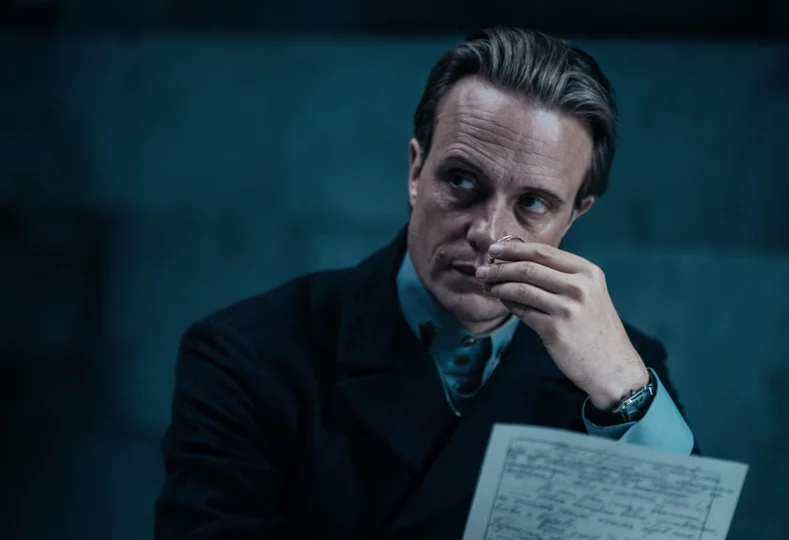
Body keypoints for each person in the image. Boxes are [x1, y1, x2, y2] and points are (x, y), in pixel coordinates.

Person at [155, 27, 699, 540]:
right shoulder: (244, 354)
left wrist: (627, 394)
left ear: (575, 215)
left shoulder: (626, 370)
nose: (488, 234)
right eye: (462, 180)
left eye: (533, 203)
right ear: (417, 171)